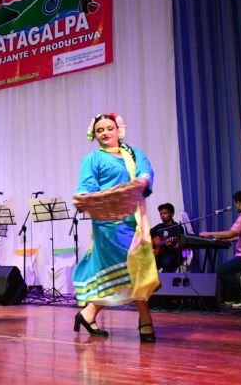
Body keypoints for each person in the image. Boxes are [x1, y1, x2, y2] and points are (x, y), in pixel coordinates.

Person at [72, 113, 159, 342]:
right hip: (107, 222)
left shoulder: (133, 153)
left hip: (135, 218)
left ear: (118, 130)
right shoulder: (92, 158)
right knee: (133, 267)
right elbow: (86, 185)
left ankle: (88, 312)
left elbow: (145, 172)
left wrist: (141, 181)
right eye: (100, 130)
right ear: (94, 134)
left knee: (134, 268)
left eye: (109, 128)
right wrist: (83, 197)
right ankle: (145, 319)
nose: (105, 133)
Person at [200, 191, 241, 304]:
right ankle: (231, 297)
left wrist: (209, 234)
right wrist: (230, 240)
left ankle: (240, 293)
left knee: (221, 270)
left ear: (238, 203)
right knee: (227, 269)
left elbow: (231, 233)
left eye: (235, 203)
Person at [150, 203, 184, 273]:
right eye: (161, 214)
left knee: (167, 262)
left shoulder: (177, 227)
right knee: (147, 263)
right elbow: (147, 235)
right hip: (159, 255)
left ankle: (165, 282)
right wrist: (152, 244)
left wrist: (172, 245)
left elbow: (179, 244)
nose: (162, 215)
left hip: (173, 255)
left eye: (165, 213)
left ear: (171, 214)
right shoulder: (159, 227)